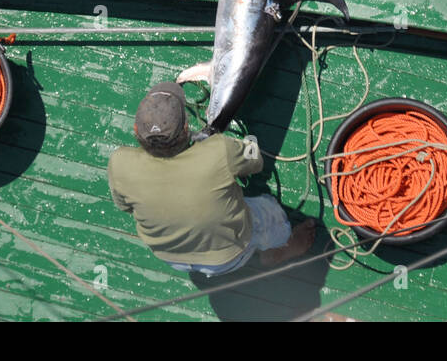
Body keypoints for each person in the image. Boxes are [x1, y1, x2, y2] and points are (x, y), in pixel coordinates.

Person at [108, 82, 315, 276]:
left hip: (173, 259)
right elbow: (255, 160)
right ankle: (281, 247)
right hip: (228, 256)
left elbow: (125, 207)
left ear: (136, 131)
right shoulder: (219, 150)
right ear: (186, 128)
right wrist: (243, 143)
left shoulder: (119, 162)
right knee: (268, 208)